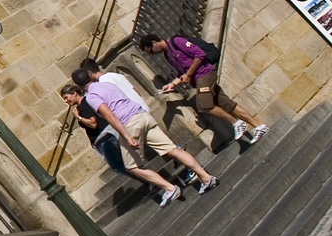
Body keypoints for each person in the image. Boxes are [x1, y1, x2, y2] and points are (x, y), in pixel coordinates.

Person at [72, 68, 219, 204]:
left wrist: (126, 136)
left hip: (129, 124)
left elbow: (109, 115)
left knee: (132, 167)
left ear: (78, 86)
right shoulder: (108, 84)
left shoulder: (92, 96)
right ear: (90, 75)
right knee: (173, 149)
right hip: (141, 115)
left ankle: (170, 189)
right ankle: (206, 178)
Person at [137, 33, 269, 143]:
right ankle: (259, 126)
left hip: (204, 74)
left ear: (154, 42)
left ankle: (236, 123)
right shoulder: (168, 54)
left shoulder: (177, 42)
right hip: (198, 79)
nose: (153, 54)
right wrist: (172, 84)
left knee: (204, 106)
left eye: (151, 51)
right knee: (227, 104)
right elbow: (181, 72)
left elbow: (199, 54)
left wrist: (189, 74)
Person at [60, 84, 134, 180]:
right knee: (127, 163)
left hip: (105, 139)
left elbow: (93, 123)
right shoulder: (88, 101)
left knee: (119, 167)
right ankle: (148, 181)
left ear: (74, 93)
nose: (66, 101)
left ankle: (148, 182)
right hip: (109, 135)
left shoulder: (83, 105)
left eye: (66, 97)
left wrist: (78, 117)